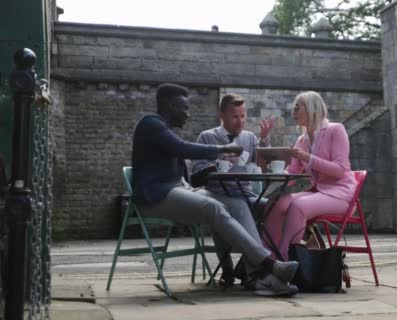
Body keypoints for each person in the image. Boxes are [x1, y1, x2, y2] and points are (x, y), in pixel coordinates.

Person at [131, 83, 298, 296]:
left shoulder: (163, 129)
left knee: (235, 203)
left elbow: (186, 172)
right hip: (155, 197)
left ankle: (259, 277)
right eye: (184, 108)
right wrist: (222, 149)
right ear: (171, 106)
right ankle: (269, 264)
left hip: (179, 189)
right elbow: (183, 148)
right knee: (213, 206)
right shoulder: (151, 124)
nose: (188, 114)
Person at [191, 93, 275, 287]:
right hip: (217, 193)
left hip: (246, 193)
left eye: (243, 116)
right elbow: (196, 172)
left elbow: (263, 165)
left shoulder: (250, 138)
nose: (240, 121)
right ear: (222, 115)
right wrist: (217, 162)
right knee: (225, 208)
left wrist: (264, 141)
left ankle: (247, 264)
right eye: (235, 116)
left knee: (274, 209)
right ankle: (244, 270)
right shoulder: (207, 137)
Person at [264, 91, 357, 260]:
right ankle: (267, 257)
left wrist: (307, 157)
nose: (293, 112)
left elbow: (340, 169)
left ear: (311, 109)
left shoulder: (336, 130)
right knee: (277, 203)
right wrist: (276, 174)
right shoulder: (302, 140)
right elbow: (292, 173)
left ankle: (284, 261)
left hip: (341, 194)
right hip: (319, 192)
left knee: (298, 206)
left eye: (297, 108)